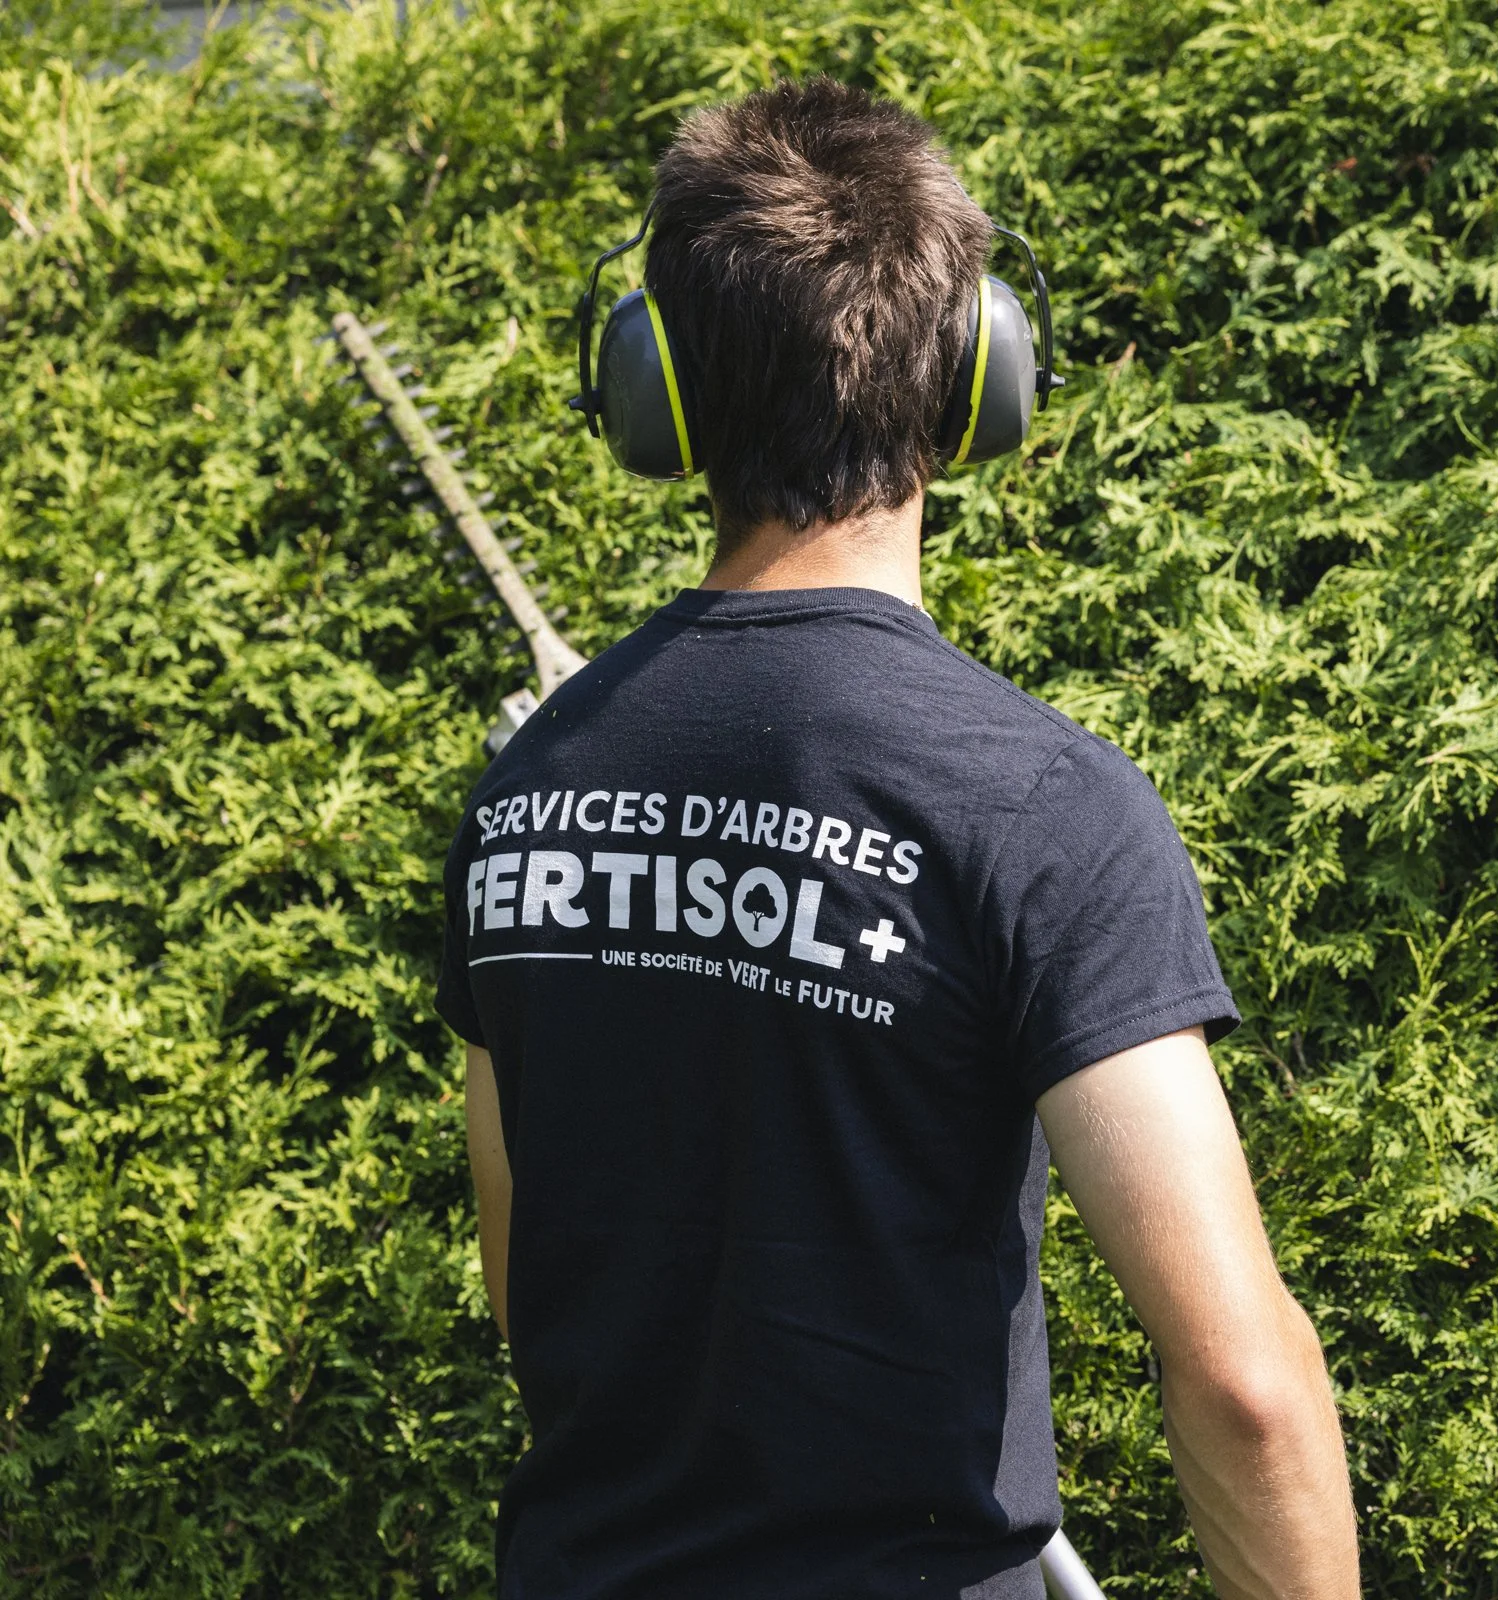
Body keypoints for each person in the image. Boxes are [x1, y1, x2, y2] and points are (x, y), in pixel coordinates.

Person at [435, 77, 1358, 1600]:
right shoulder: (1040, 807)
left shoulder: (524, 793)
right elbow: (1245, 1388)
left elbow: (529, 1291)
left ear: (656, 387)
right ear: (976, 375)